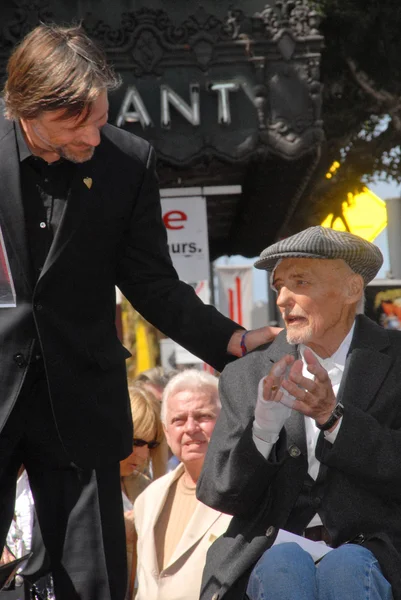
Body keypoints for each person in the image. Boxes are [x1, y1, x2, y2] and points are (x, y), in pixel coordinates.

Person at [0, 23, 279, 600]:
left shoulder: (128, 163)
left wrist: (234, 341)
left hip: (79, 401)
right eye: (76, 124)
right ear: (27, 109)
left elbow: (153, 283)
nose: (94, 137)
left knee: (92, 578)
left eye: (100, 118)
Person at [197, 226, 401, 600]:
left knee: (348, 567)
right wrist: (263, 428)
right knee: (283, 565)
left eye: (300, 282)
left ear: (351, 290)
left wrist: (334, 418)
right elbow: (221, 493)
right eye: (278, 286)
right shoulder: (247, 374)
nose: (283, 299)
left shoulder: (396, 360)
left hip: (381, 555)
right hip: (270, 558)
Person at [133, 370, 232, 600]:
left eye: (202, 416)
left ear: (227, 421)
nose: (190, 428)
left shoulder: (244, 495)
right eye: (178, 420)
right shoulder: (147, 500)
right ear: (166, 432)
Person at [120, 385, 167, 599]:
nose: (143, 453)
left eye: (151, 444)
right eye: (136, 441)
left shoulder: (146, 488)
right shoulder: (81, 490)